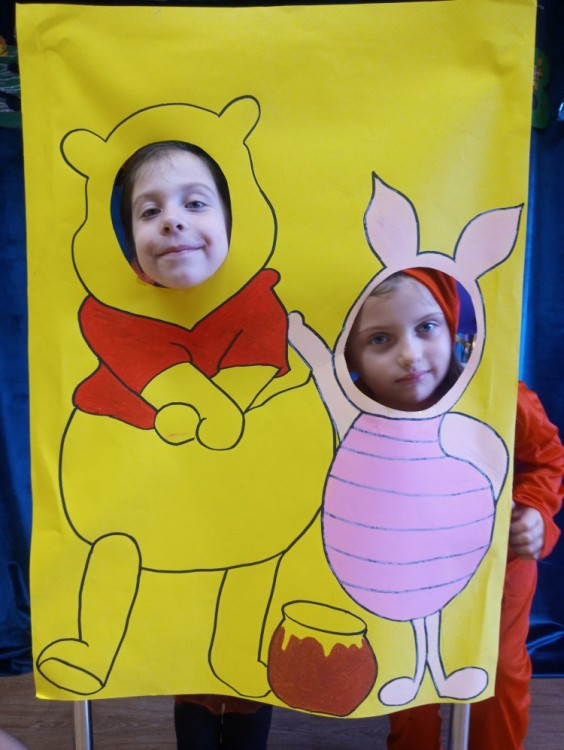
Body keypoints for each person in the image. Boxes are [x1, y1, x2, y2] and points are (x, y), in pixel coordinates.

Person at [344, 268, 564, 750]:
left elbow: (545, 458)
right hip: (407, 566)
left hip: (496, 562)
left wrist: (534, 512)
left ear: (450, 327)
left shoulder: (497, 395)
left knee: (498, 667)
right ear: (351, 356)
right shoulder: (349, 413)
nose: (410, 354)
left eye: (426, 327)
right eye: (380, 339)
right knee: (407, 665)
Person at [118, 140, 273, 749]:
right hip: (173, 529)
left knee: (247, 655)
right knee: (192, 660)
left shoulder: (263, 307)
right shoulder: (116, 318)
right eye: (149, 211)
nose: (172, 221)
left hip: (253, 520)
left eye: (195, 203)